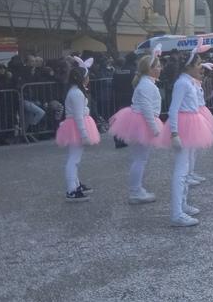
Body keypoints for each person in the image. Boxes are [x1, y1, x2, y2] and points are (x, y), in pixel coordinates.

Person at [156, 43, 213, 227]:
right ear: (189, 66)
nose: (201, 66)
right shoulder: (182, 83)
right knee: (181, 171)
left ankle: (182, 205)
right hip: (183, 127)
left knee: (186, 168)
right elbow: (173, 110)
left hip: (189, 124)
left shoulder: (187, 81)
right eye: (198, 63)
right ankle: (176, 213)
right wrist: (174, 133)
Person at [108, 50, 163, 204]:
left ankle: (137, 189)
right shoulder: (146, 85)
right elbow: (146, 109)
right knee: (140, 159)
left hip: (140, 120)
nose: (160, 69)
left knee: (139, 158)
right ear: (150, 69)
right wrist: (154, 128)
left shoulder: (146, 83)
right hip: (142, 122)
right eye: (157, 66)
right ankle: (135, 191)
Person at [56, 57, 101, 202]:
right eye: (87, 77)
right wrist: (84, 135)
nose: (88, 79)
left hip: (74, 126)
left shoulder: (75, 92)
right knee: (74, 159)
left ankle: (75, 184)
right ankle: (71, 189)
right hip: (75, 127)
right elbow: (78, 116)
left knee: (75, 158)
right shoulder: (77, 93)